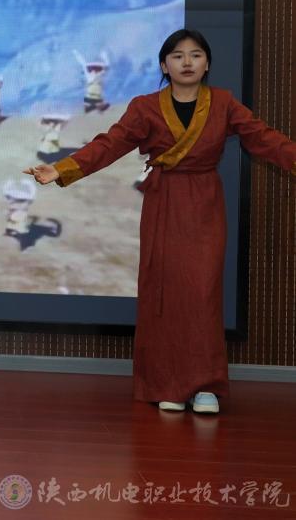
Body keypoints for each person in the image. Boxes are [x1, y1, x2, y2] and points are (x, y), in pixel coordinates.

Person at [25, 29, 296, 414]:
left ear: (207, 63)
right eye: (178, 56)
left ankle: (204, 387)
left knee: (201, 292)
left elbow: (264, 139)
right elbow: (110, 144)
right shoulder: (145, 106)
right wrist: (62, 169)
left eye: (196, 55)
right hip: (163, 200)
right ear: (164, 66)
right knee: (164, 292)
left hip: (205, 202)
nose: (187, 62)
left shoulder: (223, 103)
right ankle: (168, 384)